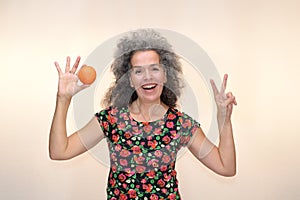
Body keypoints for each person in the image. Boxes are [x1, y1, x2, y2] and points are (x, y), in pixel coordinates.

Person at [49, 29, 237, 200]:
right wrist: (63, 99)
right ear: (129, 79)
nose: (147, 76)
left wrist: (224, 120)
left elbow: (226, 167)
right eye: (138, 71)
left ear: (165, 74)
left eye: (154, 68)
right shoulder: (111, 119)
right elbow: (59, 151)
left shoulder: (180, 124)